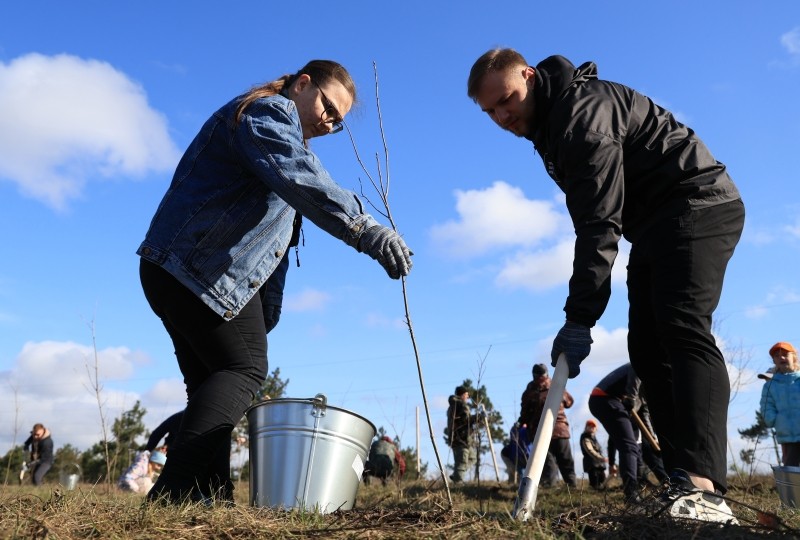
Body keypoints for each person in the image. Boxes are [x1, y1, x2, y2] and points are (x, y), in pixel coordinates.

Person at [468, 49, 743, 524]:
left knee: (681, 328)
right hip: (657, 222)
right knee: (646, 346)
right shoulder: (551, 125)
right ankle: (682, 482)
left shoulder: (580, 117)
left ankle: (704, 490)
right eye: (490, 111)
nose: (502, 116)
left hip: (698, 203)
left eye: (507, 100)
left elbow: (598, 226)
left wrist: (579, 318)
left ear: (529, 77)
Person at [137, 59, 413, 505]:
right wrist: (364, 229)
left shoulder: (281, 138)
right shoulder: (269, 114)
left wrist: (267, 311)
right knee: (245, 369)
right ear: (303, 84)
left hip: (183, 269)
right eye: (328, 107)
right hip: (198, 268)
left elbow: (277, 240)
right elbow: (302, 181)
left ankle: (210, 495)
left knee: (210, 382)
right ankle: (169, 495)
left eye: (339, 122)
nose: (329, 122)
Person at [588, 363, 646, 502]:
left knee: (630, 446)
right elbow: (636, 368)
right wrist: (631, 397)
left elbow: (643, 406)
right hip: (604, 398)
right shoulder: (648, 359)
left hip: (608, 399)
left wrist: (653, 437)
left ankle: (636, 487)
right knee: (629, 446)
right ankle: (631, 493)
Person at [518, 363, 577, 488]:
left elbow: (524, 414)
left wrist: (522, 423)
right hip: (559, 428)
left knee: (546, 460)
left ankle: (550, 485)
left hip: (540, 431)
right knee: (564, 459)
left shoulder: (529, 392)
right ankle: (571, 486)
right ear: (546, 374)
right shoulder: (556, 385)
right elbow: (569, 402)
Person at [760, 342, 800, 467]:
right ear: (774, 361)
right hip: (786, 435)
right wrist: (773, 419)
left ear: (794, 357)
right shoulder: (771, 385)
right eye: (777, 356)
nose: (781, 358)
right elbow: (767, 405)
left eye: (785, 354)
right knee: (791, 468)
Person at [446, 385, 479, 483]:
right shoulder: (461, 405)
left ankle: (457, 475)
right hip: (462, 438)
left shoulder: (452, 406)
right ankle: (458, 484)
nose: (468, 397)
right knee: (462, 462)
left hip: (457, 438)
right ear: (462, 394)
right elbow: (466, 421)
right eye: (467, 394)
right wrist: (478, 417)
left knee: (472, 458)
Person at [580, 419, 607, 489]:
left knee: (603, 480)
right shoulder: (585, 438)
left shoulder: (594, 438)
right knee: (594, 482)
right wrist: (601, 458)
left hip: (599, 464)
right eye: (589, 426)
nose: (591, 427)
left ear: (596, 429)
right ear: (586, 427)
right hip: (591, 464)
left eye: (593, 426)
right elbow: (590, 450)